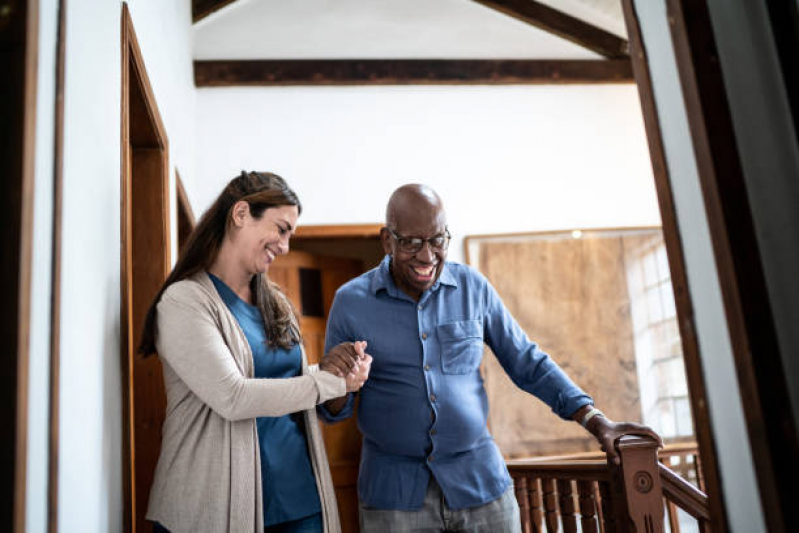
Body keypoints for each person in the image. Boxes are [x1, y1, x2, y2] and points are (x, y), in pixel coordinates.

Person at [318, 184, 661, 533]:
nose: (427, 256)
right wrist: (338, 381)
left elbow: (526, 361)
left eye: (438, 240)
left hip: (480, 486)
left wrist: (594, 419)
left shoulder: (473, 288)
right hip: (394, 496)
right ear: (387, 241)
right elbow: (334, 410)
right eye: (411, 243)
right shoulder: (351, 302)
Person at [138, 171, 371, 533]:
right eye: (281, 229)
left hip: (298, 498)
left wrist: (334, 372)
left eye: (290, 234)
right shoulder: (185, 301)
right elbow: (233, 395)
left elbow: (287, 382)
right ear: (241, 213)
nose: (285, 245)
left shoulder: (275, 302)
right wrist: (327, 384)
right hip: (215, 506)